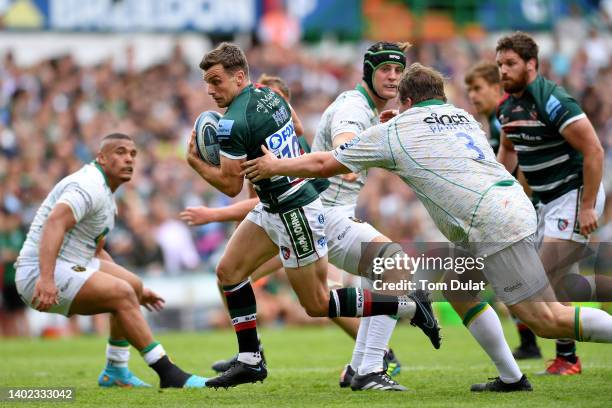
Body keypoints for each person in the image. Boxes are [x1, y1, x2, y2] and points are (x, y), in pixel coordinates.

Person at [242, 62, 612, 392]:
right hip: (504, 207)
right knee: (456, 283)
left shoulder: (397, 130)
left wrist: (277, 166)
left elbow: (326, 163)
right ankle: (512, 378)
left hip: (493, 220)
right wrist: (397, 125)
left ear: (404, 100)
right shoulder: (462, 116)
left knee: (545, 318)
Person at [187, 43, 440, 389]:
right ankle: (250, 359)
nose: (210, 90)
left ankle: (409, 307)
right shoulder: (269, 96)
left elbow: (230, 185)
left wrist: (196, 162)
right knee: (228, 272)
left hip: (294, 210)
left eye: (216, 81)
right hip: (273, 204)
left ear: (239, 76)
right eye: (207, 83)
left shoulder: (232, 123)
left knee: (318, 303)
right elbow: (297, 127)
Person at [14, 133, 207, 388]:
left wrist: (137, 289)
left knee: (133, 286)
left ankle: (115, 370)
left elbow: (95, 252)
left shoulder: (106, 193)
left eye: (133, 154)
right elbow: (55, 223)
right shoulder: (88, 185)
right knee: (122, 294)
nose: (128, 159)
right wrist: (47, 279)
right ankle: (168, 373)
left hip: (69, 261)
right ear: (101, 158)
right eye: (120, 152)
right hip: (37, 271)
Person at [496, 31, 607, 374]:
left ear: (531, 64)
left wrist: (587, 205)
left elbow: (594, 150)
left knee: (536, 280)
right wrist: (502, 197)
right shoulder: (507, 109)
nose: (503, 70)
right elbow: (509, 152)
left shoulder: (552, 100)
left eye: (510, 64)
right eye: (499, 64)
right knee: (557, 286)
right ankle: (568, 359)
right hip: (545, 205)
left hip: (573, 197)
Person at [465, 60, 541, 360]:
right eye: (469, 89)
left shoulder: (502, 120)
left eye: (478, 88)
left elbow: (524, 160)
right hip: (518, 209)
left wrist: (517, 201)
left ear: (497, 88)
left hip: (525, 209)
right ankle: (530, 343)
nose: (472, 95)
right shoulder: (492, 122)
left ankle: (561, 350)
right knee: (509, 279)